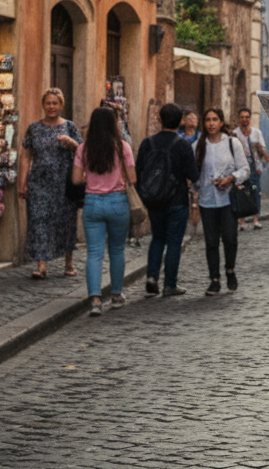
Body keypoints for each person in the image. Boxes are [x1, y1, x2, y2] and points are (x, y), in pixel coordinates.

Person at [72, 107, 136, 315]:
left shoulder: (83, 148)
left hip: (92, 203)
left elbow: (75, 179)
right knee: (117, 251)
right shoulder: (122, 147)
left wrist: (89, 178)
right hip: (117, 202)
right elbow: (133, 178)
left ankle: (95, 300)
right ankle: (116, 295)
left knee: (94, 253)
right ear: (113, 124)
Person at [135, 102, 199, 296]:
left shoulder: (148, 143)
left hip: (154, 201)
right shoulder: (183, 146)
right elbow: (194, 175)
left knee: (157, 238)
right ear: (180, 122)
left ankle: (152, 277)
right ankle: (170, 284)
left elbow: (138, 172)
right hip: (177, 201)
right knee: (173, 242)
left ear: (160, 119)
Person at [19, 88, 82, 279]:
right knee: (39, 220)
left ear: (61, 105)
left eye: (55, 103)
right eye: (48, 103)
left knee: (65, 222)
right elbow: (26, 156)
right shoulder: (34, 128)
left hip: (64, 183)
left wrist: (72, 144)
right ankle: (41, 266)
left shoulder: (70, 127)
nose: (51, 107)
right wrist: (23, 183)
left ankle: (68, 263)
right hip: (39, 182)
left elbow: (83, 153)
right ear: (43, 105)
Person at [193, 108, 250, 294]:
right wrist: (195, 188)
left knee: (230, 238)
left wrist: (230, 178)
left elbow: (245, 170)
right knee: (211, 241)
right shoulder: (197, 146)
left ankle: (230, 270)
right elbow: (194, 176)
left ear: (221, 122)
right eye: (208, 120)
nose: (211, 123)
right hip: (207, 200)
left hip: (228, 200)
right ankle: (214, 278)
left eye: (214, 119)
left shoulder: (233, 143)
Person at [235, 106, 269, 230]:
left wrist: (261, 157)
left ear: (250, 119)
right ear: (239, 119)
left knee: (255, 191)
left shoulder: (256, 133)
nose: (245, 119)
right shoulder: (235, 133)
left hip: (255, 169)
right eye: (242, 117)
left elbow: (263, 149)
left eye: (247, 117)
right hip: (241, 168)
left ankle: (256, 220)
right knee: (242, 193)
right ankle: (241, 222)